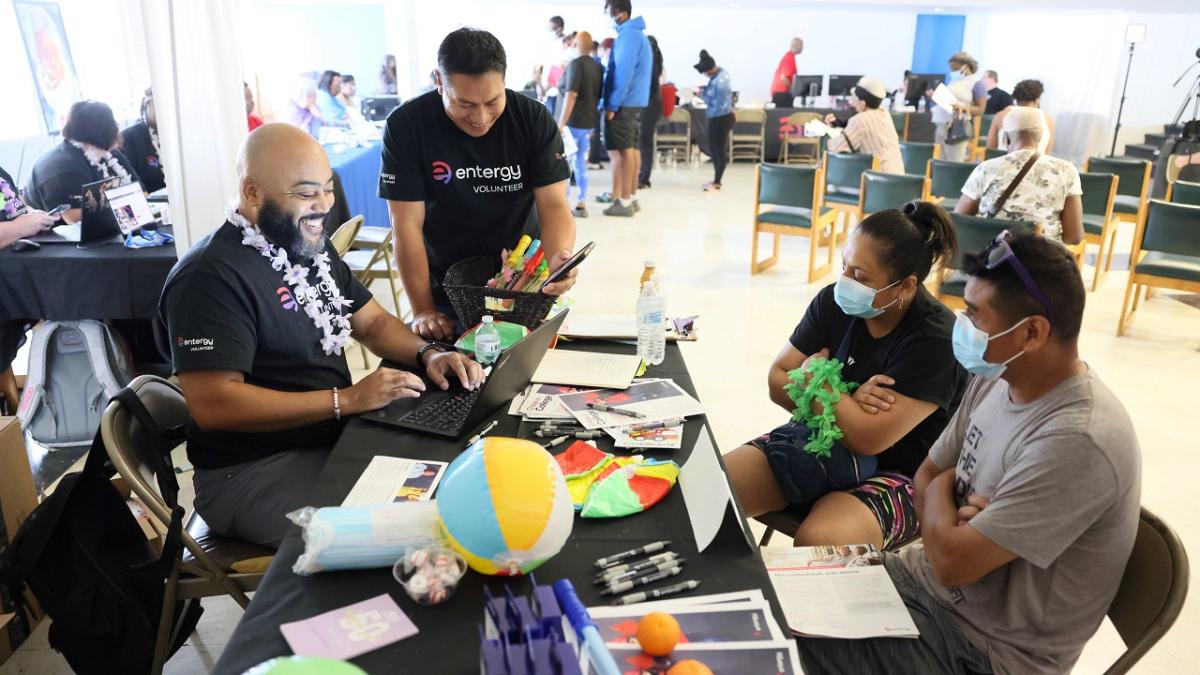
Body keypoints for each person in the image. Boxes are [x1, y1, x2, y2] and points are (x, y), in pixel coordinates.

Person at [795, 231, 1141, 675]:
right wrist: (945, 501)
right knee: (768, 594)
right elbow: (926, 476)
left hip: (978, 650)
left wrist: (942, 506)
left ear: (1032, 332)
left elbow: (953, 563)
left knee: (772, 639)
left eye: (976, 316)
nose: (963, 326)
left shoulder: (1078, 440)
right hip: (915, 585)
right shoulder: (999, 377)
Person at [159, 123, 484, 548]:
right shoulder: (209, 278)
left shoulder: (304, 242)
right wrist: (347, 400)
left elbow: (370, 322)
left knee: (454, 477)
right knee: (407, 534)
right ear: (252, 192)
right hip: (250, 472)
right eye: (305, 193)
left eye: (328, 189)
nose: (323, 205)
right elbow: (214, 404)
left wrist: (428, 354)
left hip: (330, 438)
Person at [725, 202, 967, 551]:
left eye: (861, 276)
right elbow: (777, 380)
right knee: (714, 489)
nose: (845, 281)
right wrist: (847, 405)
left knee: (819, 543)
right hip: (821, 443)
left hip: (906, 472)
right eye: (845, 266)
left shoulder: (935, 339)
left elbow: (868, 439)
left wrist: (823, 384)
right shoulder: (834, 303)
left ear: (905, 286)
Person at [379, 28, 578, 341]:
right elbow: (405, 225)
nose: (481, 118)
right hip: (447, 284)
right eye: (465, 104)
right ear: (439, 81)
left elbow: (554, 206)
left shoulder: (533, 119)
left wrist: (558, 262)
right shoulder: (407, 126)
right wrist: (423, 310)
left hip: (522, 281)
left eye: (492, 101)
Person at [957, 107, 1082, 245]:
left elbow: (959, 218)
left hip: (992, 260)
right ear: (1041, 138)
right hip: (1043, 262)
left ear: (1006, 138)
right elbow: (1074, 237)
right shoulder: (1066, 170)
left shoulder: (986, 168)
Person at [25, 100, 139, 224]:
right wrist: (130, 208)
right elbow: (75, 218)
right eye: (112, 123)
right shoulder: (62, 166)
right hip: (62, 238)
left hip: (112, 225)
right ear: (103, 129)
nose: (117, 128)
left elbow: (141, 193)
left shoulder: (109, 153)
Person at [1, 163, 54, 412]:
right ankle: (16, 415)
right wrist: (23, 226)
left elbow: (15, 209)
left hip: (14, 278)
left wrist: (35, 217)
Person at [598, 0, 652, 217]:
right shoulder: (638, 35)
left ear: (619, 13)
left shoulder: (628, 36)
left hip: (624, 102)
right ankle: (630, 196)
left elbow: (623, 73)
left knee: (622, 152)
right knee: (632, 149)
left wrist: (613, 104)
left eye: (607, 12)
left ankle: (623, 200)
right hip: (634, 102)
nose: (607, 17)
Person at [558, 31, 604, 218]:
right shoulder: (597, 66)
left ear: (576, 45)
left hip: (572, 123)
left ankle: (565, 204)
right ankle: (581, 202)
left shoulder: (576, 65)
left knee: (565, 165)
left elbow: (571, 94)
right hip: (589, 122)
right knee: (580, 164)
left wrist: (560, 123)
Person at [824, 77, 904, 175]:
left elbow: (836, 149)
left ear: (863, 103)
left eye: (855, 98)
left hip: (876, 182)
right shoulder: (885, 114)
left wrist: (828, 134)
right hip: (897, 178)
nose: (852, 102)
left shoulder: (859, 121)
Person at [929, 52, 987, 162]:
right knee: (939, 160)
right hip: (942, 124)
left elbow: (980, 109)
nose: (952, 72)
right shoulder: (955, 81)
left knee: (954, 160)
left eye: (955, 68)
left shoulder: (977, 83)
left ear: (966, 66)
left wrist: (960, 108)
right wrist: (935, 97)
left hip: (957, 126)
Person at [694, 50, 733, 192]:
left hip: (720, 117)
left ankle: (717, 182)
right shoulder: (720, 75)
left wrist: (701, 95)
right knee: (715, 148)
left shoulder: (720, 81)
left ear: (709, 70)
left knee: (718, 150)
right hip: (717, 117)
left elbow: (718, 102)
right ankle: (716, 180)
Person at [987, 79, 1054, 154]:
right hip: (1035, 164)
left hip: (1003, 163)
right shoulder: (1047, 119)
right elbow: (1047, 153)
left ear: (1016, 98)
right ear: (1037, 99)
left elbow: (991, 149)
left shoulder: (1001, 115)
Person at [120, 88, 165, 193]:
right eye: (158, 106)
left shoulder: (178, 134)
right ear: (147, 104)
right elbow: (131, 183)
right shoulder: (129, 137)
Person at [637, 35, 664, 190]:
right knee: (645, 142)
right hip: (652, 103)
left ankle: (644, 177)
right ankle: (643, 176)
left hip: (650, 103)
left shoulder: (651, 62)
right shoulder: (656, 61)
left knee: (645, 142)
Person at [588, 38, 615, 170]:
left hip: (600, 102)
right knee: (595, 131)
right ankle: (594, 159)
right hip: (597, 102)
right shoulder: (598, 65)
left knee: (597, 131)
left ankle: (594, 159)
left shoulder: (604, 65)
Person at [770, 37, 804, 108]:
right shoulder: (789, 58)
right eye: (801, 45)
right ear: (795, 45)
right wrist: (792, 91)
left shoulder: (790, 56)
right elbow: (783, 77)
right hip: (782, 94)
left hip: (781, 93)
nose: (802, 48)